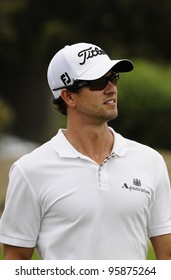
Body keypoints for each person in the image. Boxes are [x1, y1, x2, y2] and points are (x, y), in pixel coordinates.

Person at [0, 42, 171, 260]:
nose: (111, 88)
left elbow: (167, 255)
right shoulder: (30, 170)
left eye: (113, 78)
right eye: (99, 82)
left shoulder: (150, 161)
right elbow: (16, 261)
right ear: (68, 96)